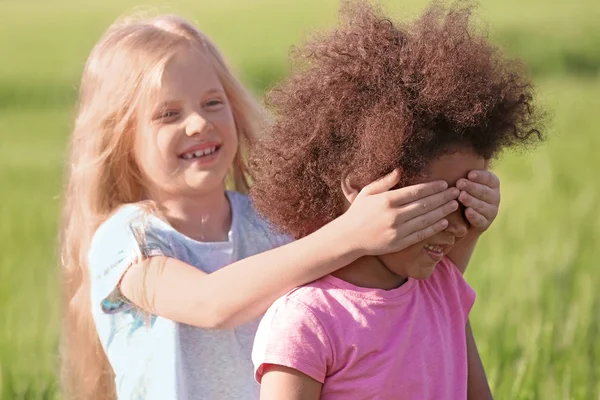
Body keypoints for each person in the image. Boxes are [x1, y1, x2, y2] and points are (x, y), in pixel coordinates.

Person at [59, 13, 463, 400]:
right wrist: (351, 234)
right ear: (120, 138)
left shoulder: (267, 223)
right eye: (168, 114)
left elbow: (386, 303)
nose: (198, 123)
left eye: (212, 102)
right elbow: (210, 303)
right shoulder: (128, 239)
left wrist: (463, 216)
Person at [250, 1, 544, 399]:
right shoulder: (307, 321)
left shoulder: (443, 292)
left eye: (467, 200)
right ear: (359, 187)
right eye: (439, 201)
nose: (460, 225)